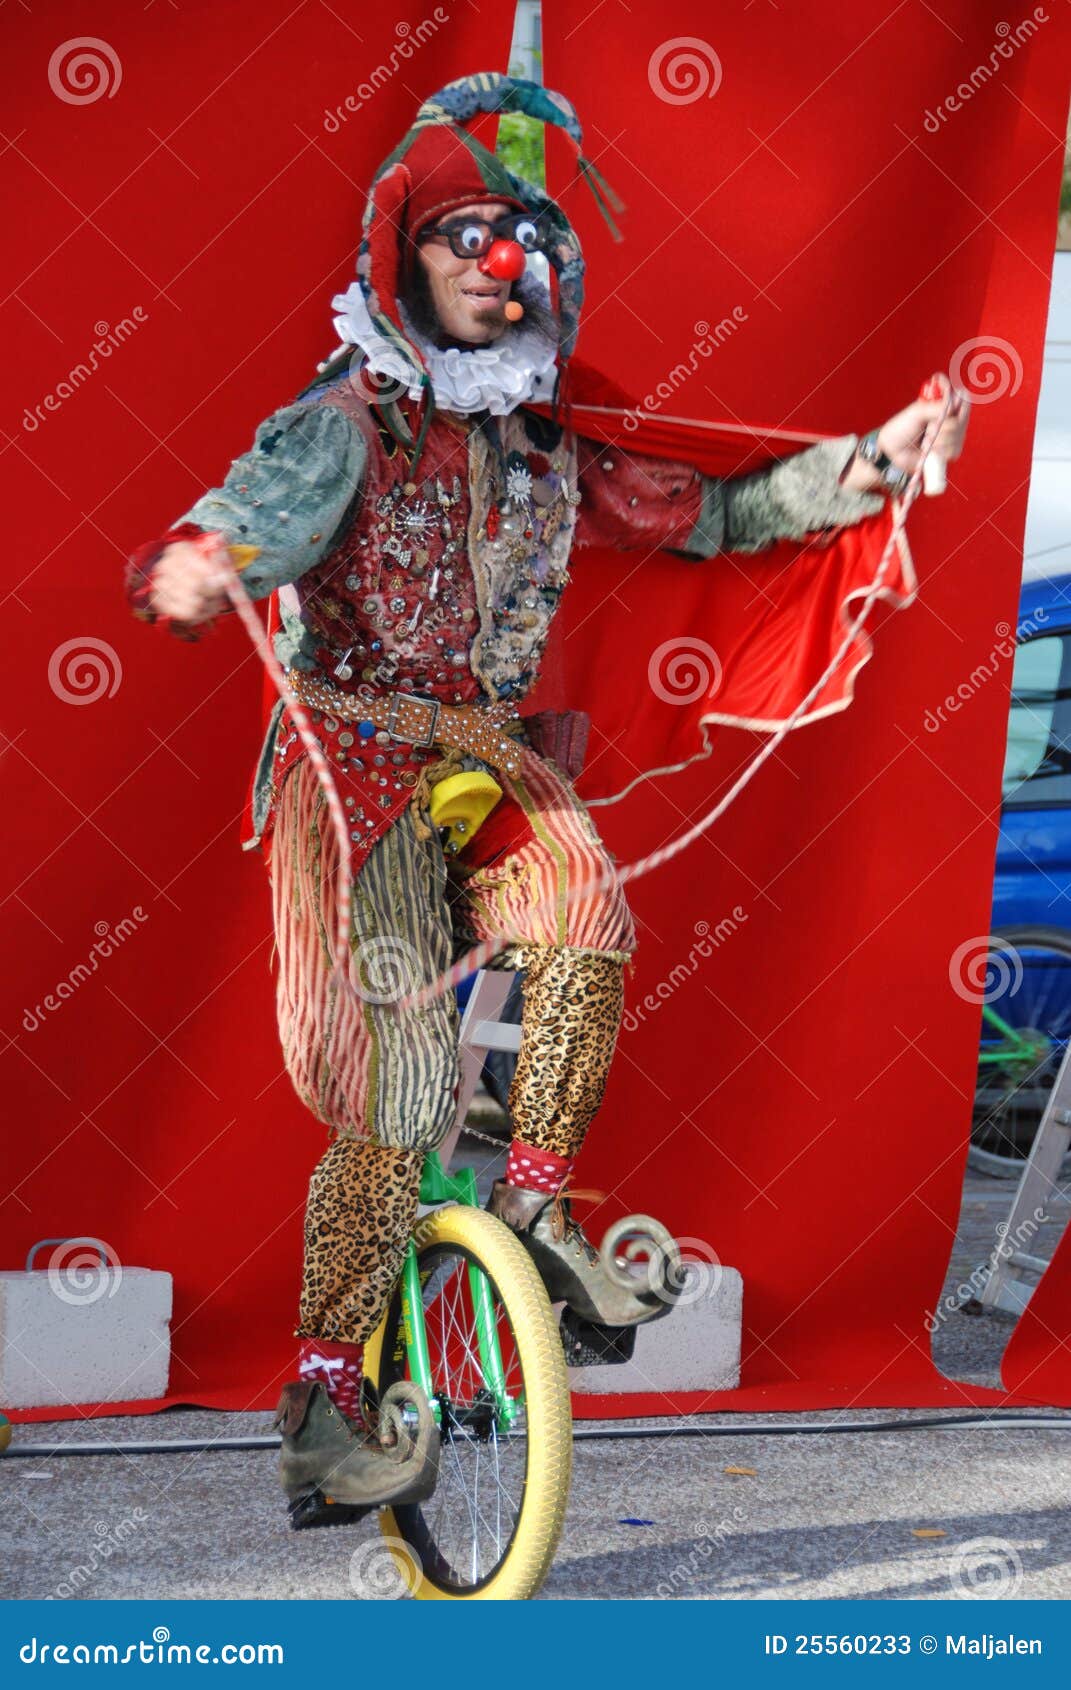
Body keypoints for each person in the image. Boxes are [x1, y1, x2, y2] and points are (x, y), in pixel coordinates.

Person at [125, 73, 969, 1524]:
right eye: (457, 235)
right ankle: (327, 1399)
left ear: (542, 275)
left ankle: (530, 1203)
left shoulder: (550, 443)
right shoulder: (348, 424)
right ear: (408, 258)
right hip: (361, 767)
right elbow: (247, 514)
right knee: (393, 1100)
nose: (484, 261)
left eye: (509, 238)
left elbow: (715, 511)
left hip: (485, 751)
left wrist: (875, 462)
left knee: (589, 909)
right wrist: (201, 567)